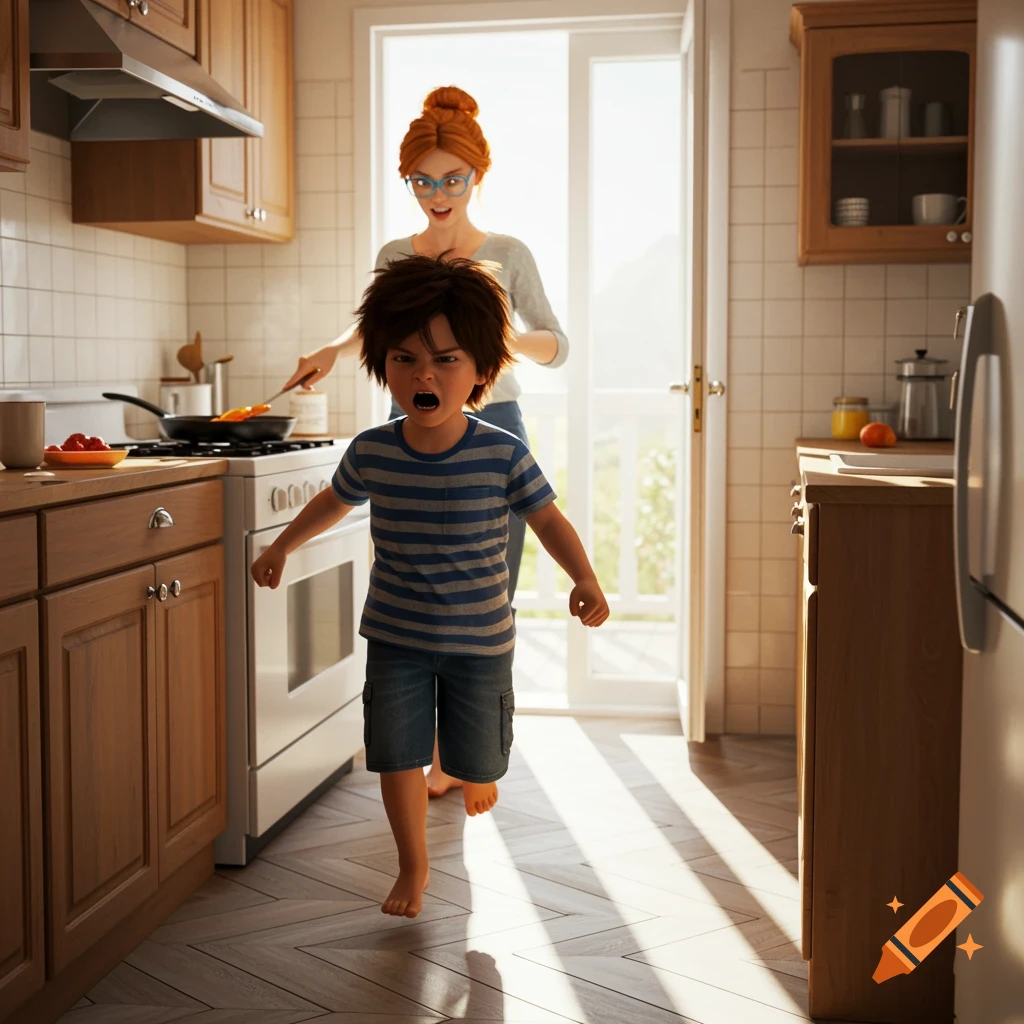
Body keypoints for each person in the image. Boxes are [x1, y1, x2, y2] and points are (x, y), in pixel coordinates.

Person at [253, 254, 607, 919]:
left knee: (480, 759)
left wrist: (584, 576)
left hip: (480, 642)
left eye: (446, 359)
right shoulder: (372, 450)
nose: (424, 374)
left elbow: (548, 518)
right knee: (395, 756)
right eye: (406, 358)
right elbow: (333, 501)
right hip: (397, 636)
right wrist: (281, 544)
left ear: (481, 371)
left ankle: (472, 769)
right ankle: (412, 866)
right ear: (383, 366)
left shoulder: (502, 451)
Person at [283, 85, 567, 798]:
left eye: (453, 179)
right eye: (422, 181)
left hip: (492, 428)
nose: (437, 194)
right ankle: (426, 745)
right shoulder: (394, 255)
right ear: (407, 180)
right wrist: (330, 349)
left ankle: (462, 756)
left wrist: (492, 331)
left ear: (477, 178)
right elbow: (376, 334)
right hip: (409, 437)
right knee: (412, 590)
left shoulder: (507, 254)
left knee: (485, 595)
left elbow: (555, 346)